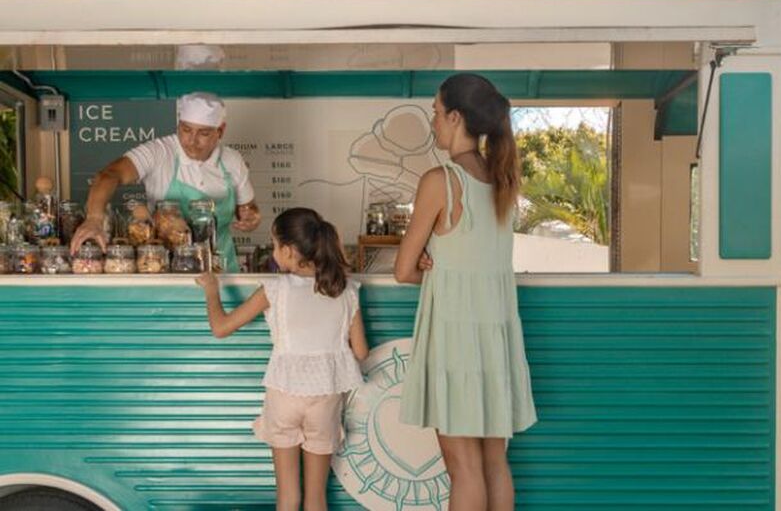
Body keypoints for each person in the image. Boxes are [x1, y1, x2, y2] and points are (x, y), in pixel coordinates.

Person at [394, 73, 537, 511]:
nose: (433, 122)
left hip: (456, 342)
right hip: (496, 340)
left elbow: (403, 270)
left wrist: (429, 264)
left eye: (436, 113)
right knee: (494, 463)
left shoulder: (440, 180)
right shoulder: (502, 180)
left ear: (455, 117)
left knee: (464, 468)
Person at [196, 207, 368, 511]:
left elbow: (221, 328)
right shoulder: (345, 289)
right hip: (326, 399)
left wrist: (211, 289)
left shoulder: (275, 289)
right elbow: (361, 352)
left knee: (288, 498)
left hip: (284, 395)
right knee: (317, 498)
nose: (273, 251)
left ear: (288, 251)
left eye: (274, 245)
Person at [70, 92, 261, 272]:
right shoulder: (159, 151)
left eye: (203, 133)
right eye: (186, 130)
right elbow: (109, 175)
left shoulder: (232, 160)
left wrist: (251, 217)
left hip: (222, 268)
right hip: (165, 268)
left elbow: (247, 209)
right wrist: (94, 219)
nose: (192, 140)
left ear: (220, 131)